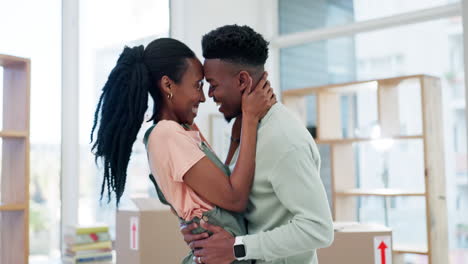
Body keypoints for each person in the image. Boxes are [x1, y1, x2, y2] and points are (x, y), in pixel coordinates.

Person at [90, 38, 276, 264]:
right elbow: (236, 198)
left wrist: (239, 130)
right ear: (168, 85)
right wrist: (250, 119)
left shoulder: (181, 129)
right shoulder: (167, 134)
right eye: (197, 85)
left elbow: (220, 186)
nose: (203, 96)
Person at [181, 25, 334, 264]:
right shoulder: (242, 128)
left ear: (242, 80)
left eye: (213, 84)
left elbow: (318, 228)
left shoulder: (283, 139)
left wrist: (236, 248)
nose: (209, 94)